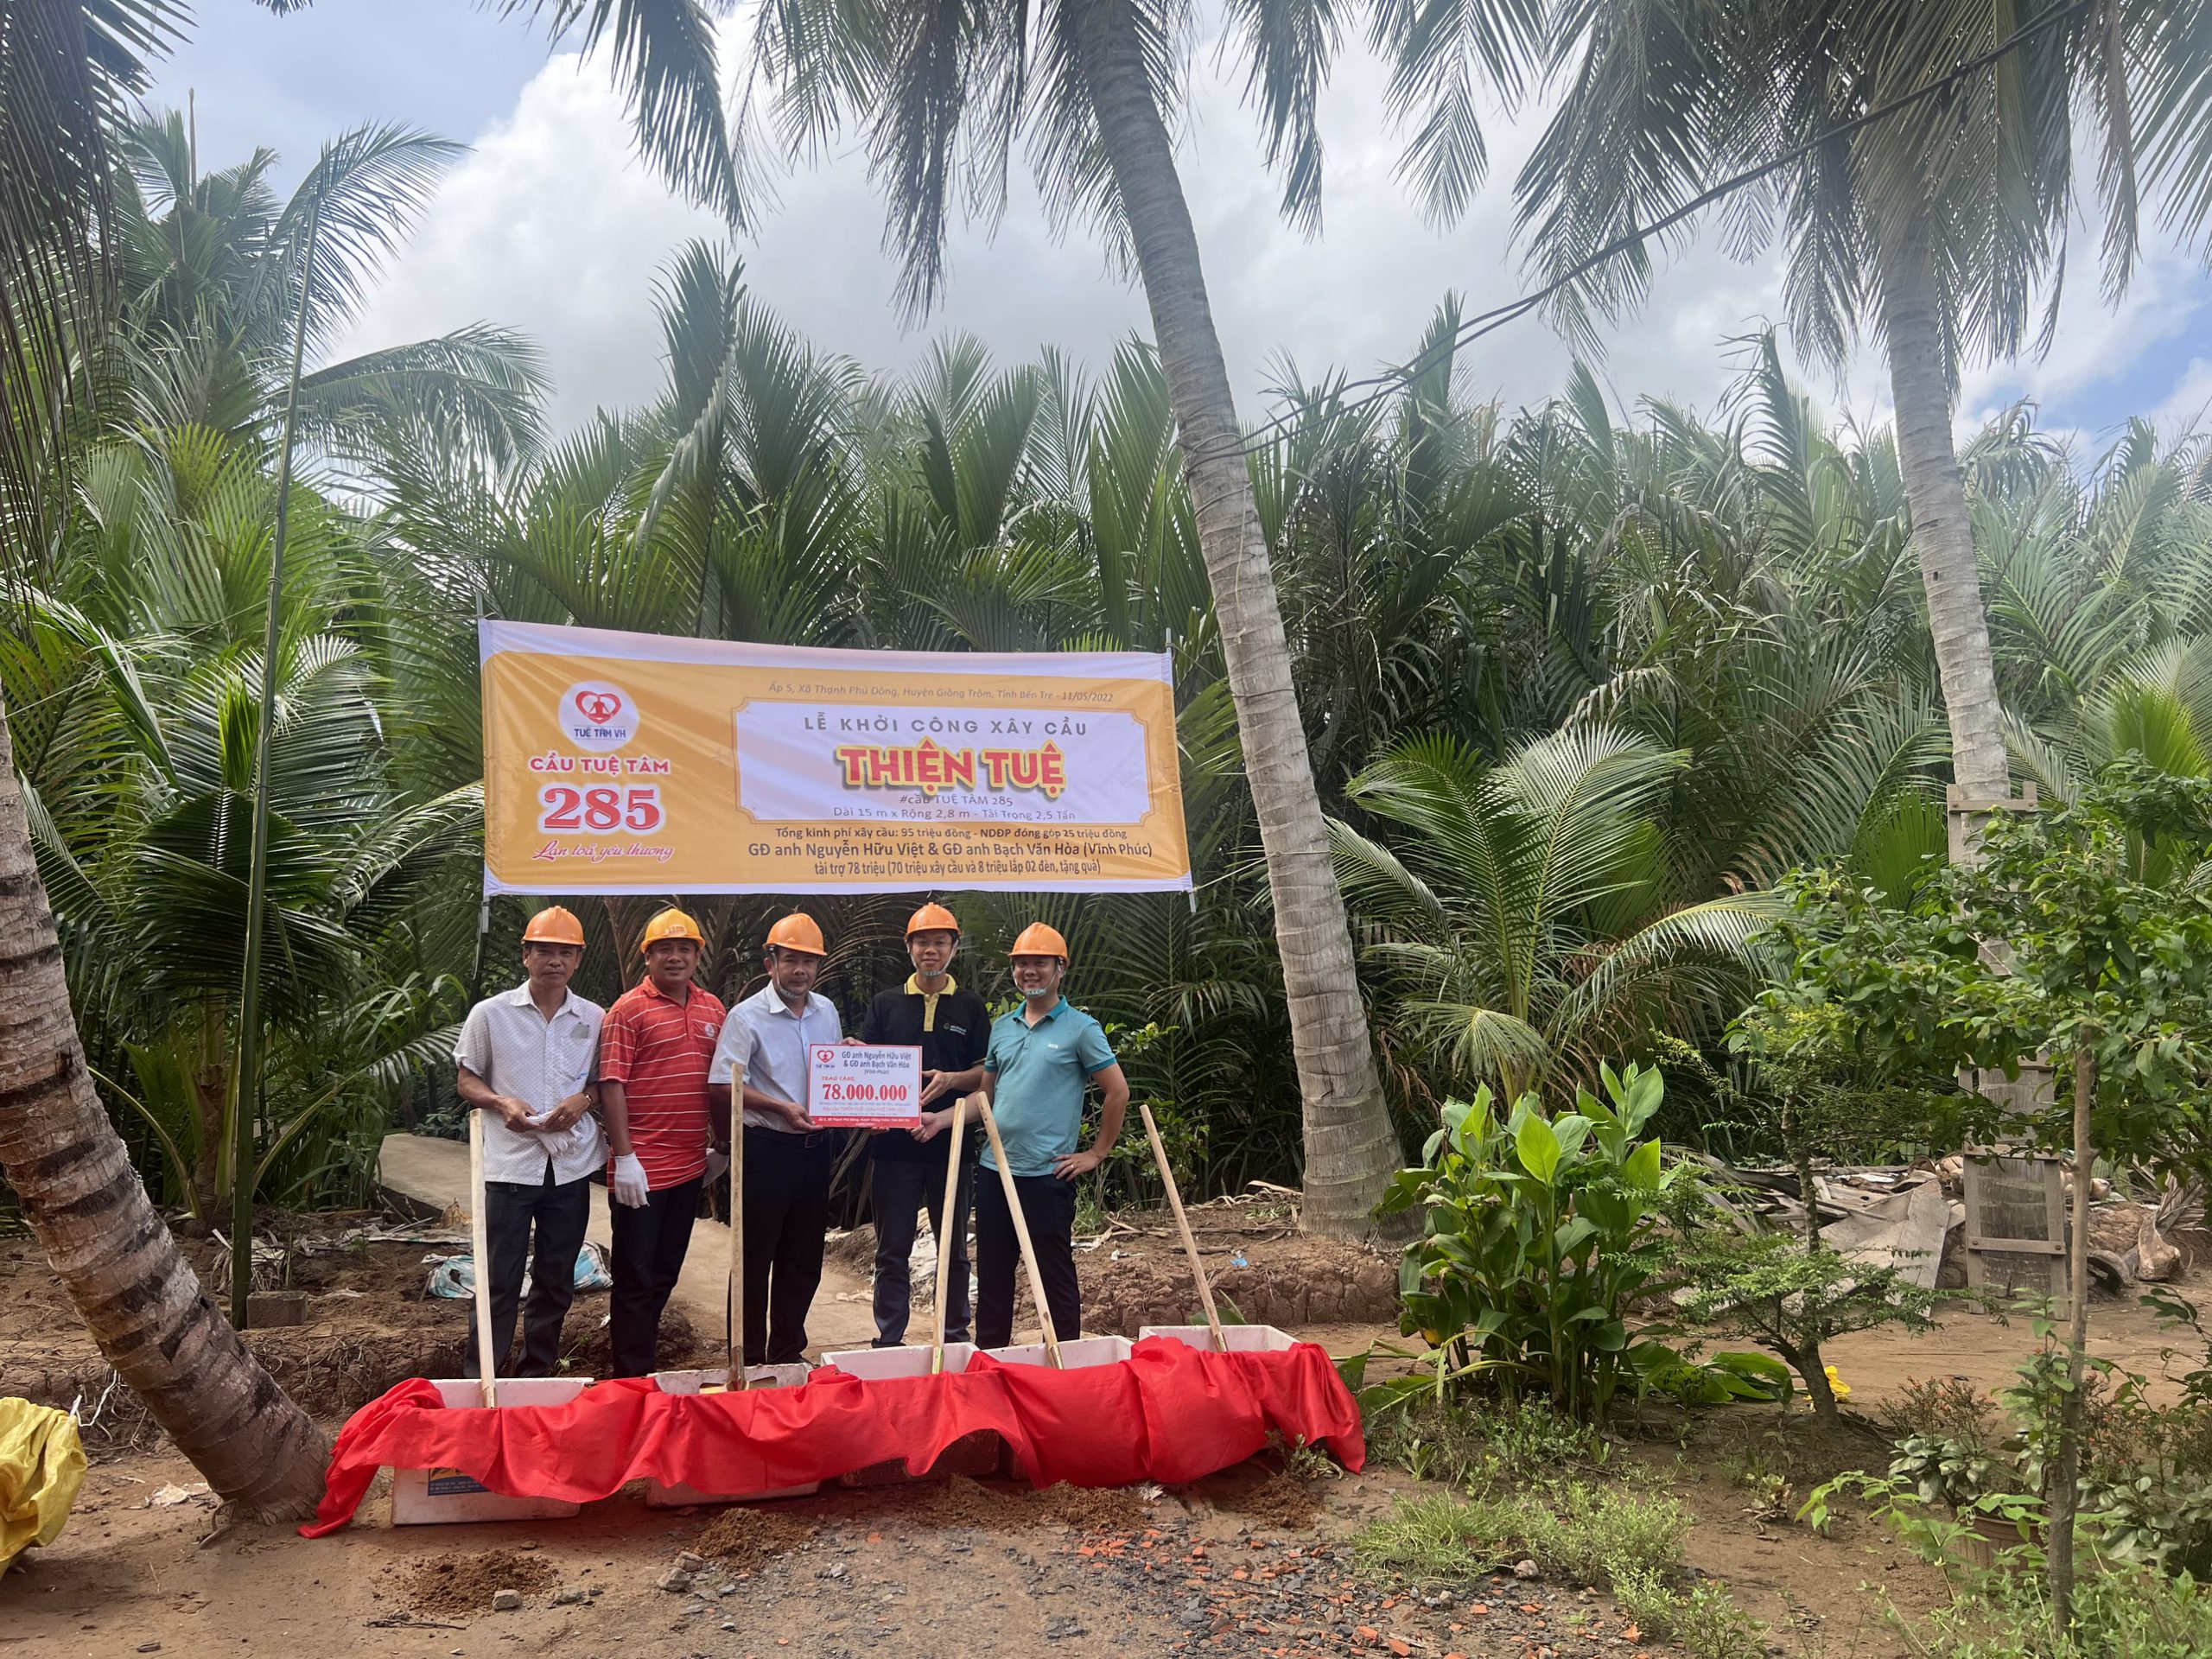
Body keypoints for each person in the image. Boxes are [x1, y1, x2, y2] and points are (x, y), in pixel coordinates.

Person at [938, 923, 1128, 1350]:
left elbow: (1118, 1091)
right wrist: (939, 1120)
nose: (1029, 971)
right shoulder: (1002, 1027)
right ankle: (992, 1361)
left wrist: (1097, 1153)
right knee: (993, 1276)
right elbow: (985, 1098)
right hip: (995, 1172)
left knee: (1052, 1276)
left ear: (1060, 968)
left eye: (1040, 963)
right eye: (1021, 963)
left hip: (1047, 1176)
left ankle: (1062, 1365)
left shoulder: (1081, 1029)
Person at [452, 906, 605, 1376]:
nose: (554, 960)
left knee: (556, 1278)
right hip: (510, 1165)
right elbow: (466, 1078)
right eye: (544, 951)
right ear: (526, 955)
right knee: (498, 1278)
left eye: (565, 952)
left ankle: (537, 1372)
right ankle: (484, 1375)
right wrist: (501, 1103)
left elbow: (604, 1082)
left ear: (578, 959)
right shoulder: (491, 1014)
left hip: (570, 1166)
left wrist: (583, 1100)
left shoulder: (594, 1017)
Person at [596, 906, 728, 1377]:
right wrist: (625, 1157)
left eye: (684, 949)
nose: (675, 957)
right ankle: (631, 1378)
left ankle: (642, 1361)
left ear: (697, 956)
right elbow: (611, 1083)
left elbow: (720, 1082)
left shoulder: (713, 1009)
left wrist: (722, 1147)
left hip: (690, 1166)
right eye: (665, 949)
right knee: (634, 1275)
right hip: (641, 1170)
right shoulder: (627, 1010)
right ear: (647, 956)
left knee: (666, 1271)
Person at [709, 912, 841, 1365]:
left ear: (818, 966)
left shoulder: (827, 1012)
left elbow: (830, 1071)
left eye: (809, 961)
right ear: (771, 963)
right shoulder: (746, 1017)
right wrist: (779, 1107)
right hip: (766, 1149)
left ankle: (786, 1354)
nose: (800, 970)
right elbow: (722, 1085)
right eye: (790, 960)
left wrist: (853, 1061)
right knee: (753, 1258)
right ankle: (745, 1359)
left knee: (803, 1259)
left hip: (816, 1151)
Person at [861, 902, 993, 1348]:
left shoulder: (971, 1007)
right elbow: (869, 1068)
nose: (930, 949)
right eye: (922, 942)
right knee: (891, 1250)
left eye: (939, 941)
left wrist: (951, 1080)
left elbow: (986, 1074)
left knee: (953, 1248)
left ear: (954, 947)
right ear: (909, 947)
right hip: (892, 1148)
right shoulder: (885, 1004)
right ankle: (889, 1340)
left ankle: (954, 1336)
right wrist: (870, 1111)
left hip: (951, 1145)